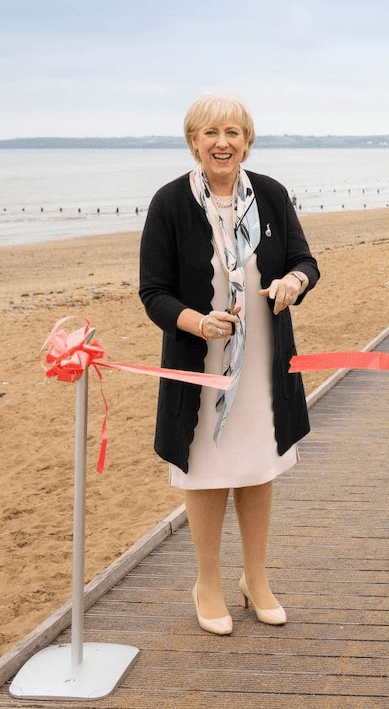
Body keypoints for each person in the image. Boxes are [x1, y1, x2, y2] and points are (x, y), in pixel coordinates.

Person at [139, 94, 320, 635]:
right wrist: (195, 321)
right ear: (194, 140)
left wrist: (294, 282)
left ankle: (256, 579)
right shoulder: (169, 203)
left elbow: (304, 261)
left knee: (259, 469)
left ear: (247, 140)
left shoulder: (270, 194)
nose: (223, 142)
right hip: (201, 364)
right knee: (207, 473)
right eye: (211, 133)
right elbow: (153, 292)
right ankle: (208, 583)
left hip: (263, 360)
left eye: (233, 133)